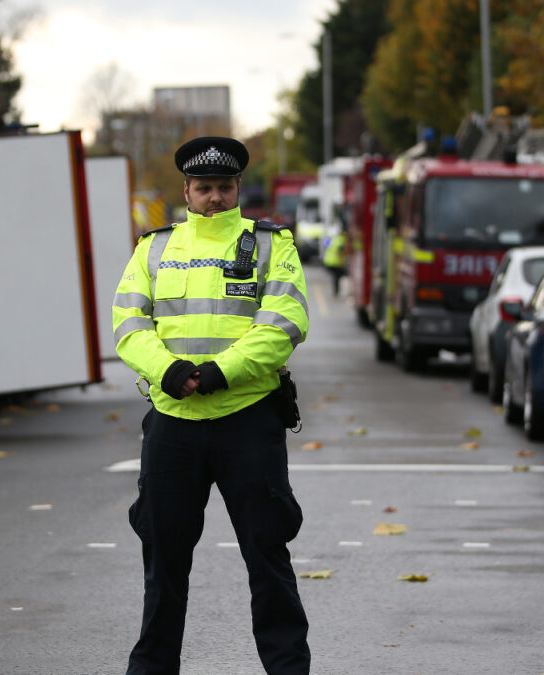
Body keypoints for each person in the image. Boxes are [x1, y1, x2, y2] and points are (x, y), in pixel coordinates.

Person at [112, 136, 311, 674]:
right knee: (164, 567)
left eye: (225, 187)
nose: (215, 198)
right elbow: (129, 326)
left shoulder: (273, 244)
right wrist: (168, 370)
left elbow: (285, 323)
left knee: (268, 559)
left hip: (246, 420)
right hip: (174, 425)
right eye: (205, 188)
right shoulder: (153, 247)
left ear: (238, 188)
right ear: (187, 190)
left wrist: (222, 372)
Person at [321, 227, 347, 297]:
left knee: (336, 276)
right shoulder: (342, 240)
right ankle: (336, 292)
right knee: (338, 276)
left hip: (328, 261)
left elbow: (326, 245)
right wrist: (342, 263)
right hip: (335, 262)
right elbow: (340, 253)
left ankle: (336, 291)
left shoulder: (334, 239)